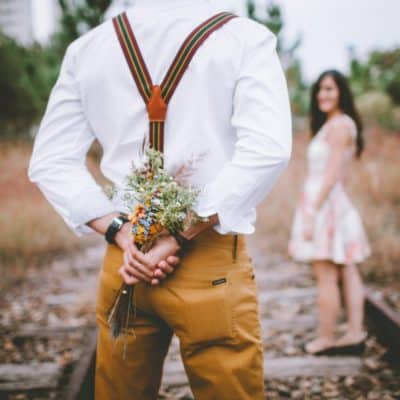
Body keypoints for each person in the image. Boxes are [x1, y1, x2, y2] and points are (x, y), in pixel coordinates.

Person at [28, 0, 292, 398]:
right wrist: (180, 234)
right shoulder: (244, 38)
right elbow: (267, 149)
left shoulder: (88, 49)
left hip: (127, 261)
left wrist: (120, 230)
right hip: (208, 256)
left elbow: (50, 161)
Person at [288, 70, 371, 356]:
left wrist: (312, 211)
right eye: (320, 90)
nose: (323, 95)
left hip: (324, 206)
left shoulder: (338, 126)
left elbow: (333, 173)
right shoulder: (338, 124)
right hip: (333, 202)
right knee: (347, 269)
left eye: (329, 89)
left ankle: (326, 338)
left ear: (341, 93)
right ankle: (354, 333)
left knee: (325, 274)